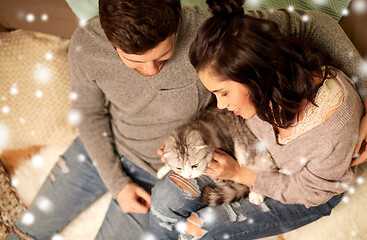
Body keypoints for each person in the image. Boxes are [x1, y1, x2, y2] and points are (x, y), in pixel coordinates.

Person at [7, 0, 367, 239]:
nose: (150, 71)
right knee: (26, 230)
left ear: (177, 19)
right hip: (99, 151)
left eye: (163, 57)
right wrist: (116, 183)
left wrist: (364, 102)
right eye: (134, 63)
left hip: (168, 167)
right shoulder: (87, 44)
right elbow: (87, 113)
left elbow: (312, 25)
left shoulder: (213, 33)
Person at [148, 0, 364, 239]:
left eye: (223, 93)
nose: (221, 105)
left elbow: (310, 191)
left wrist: (240, 174)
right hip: (260, 158)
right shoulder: (264, 84)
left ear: (255, 76)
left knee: (198, 229)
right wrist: (188, 138)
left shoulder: (329, 132)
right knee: (164, 197)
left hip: (309, 190)